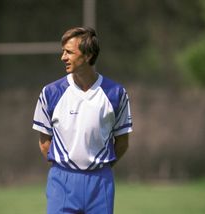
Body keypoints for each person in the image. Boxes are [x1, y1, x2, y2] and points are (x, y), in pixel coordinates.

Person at [32, 27, 132, 214]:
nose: (63, 57)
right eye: (63, 51)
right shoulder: (50, 93)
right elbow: (44, 143)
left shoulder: (116, 94)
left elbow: (122, 142)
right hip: (61, 181)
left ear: (88, 56)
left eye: (69, 52)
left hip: (100, 182)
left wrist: (98, 167)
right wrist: (68, 169)